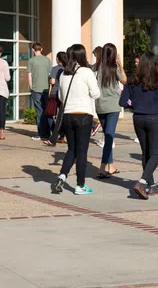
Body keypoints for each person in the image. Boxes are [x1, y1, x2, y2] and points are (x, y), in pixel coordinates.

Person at [119, 51, 158, 199]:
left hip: (138, 119)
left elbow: (122, 102)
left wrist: (134, 104)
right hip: (154, 118)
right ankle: (142, 182)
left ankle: (152, 185)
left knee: (146, 153)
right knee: (155, 154)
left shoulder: (132, 81)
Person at [53, 44, 100, 195]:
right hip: (83, 115)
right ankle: (80, 185)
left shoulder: (63, 74)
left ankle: (62, 175)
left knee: (71, 149)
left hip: (67, 115)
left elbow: (60, 97)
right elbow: (95, 93)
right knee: (82, 152)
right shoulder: (86, 72)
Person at [95, 43, 127, 178]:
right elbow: (125, 80)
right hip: (113, 105)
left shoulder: (97, 67)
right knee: (109, 136)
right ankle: (103, 167)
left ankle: (111, 165)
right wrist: (120, 64)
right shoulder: (114, 68)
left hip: (100, 105)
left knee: (108, 135)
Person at [28, 42, 52, 142]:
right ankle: (48, 132)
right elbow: (50, 74)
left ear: (33, 50)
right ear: (41, 49)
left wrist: (31, 87)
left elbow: (29, 75)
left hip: (36, 88)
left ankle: (42, 134)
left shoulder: (31, 60)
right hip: (46, 89)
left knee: (39, 111)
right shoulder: (47, 60)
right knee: (47, 110)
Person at [43, 51, 67, 145]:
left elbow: (52, 82)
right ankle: (62, 136)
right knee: (62, 116)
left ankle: (54, 132)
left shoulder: (55, 68)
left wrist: (49, 80)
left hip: (54, 93)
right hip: (63, 94)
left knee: (50, 113)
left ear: (58, 59)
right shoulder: (67, 68)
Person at [90, 45, 103, 141]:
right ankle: (103, 138)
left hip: (98, 90)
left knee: (97, 112)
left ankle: (95, 124)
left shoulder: (98, 64)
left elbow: (92, 70)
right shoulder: (105, 64)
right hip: (103, 91)